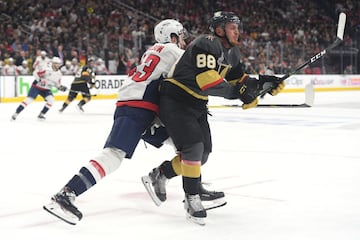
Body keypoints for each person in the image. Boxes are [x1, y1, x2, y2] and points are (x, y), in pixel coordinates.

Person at [141, 11, 285, 226]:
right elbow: (207, 80)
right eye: (232, 27)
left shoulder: (232, 53)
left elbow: (240, 80)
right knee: (193, 148)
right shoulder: (206, 42)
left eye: (238, 26)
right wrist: (240, 93)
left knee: (203, 154)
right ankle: (192, 199)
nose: (237, 31)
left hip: (196, 104)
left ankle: (160, 173)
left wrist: (264, 84)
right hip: (176, 100)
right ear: (219, 30)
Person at [43, 19, 187, 225]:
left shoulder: (154, 51)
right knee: (113, 155)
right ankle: (66, 194)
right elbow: (196, 64)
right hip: (139, 106)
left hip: (143, 108)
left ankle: (176, 183)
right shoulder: (172, 50)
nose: (182, 39)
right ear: (172, 36)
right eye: (180, 35)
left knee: (187, 146)